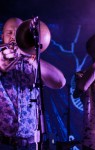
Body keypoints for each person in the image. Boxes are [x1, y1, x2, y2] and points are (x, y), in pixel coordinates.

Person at [0, 18, 66, 149]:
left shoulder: (33, 63)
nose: (13, 36)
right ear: (2, 37)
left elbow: (60, 82)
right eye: (9, 32)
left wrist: (31, 58)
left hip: (30, 143)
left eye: (18, 32)